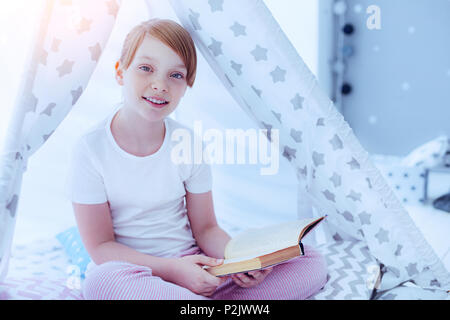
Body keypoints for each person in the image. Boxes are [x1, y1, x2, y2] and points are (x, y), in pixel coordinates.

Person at [67, 18, 327, 300]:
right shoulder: (90, 149)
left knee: (310, 260)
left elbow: (206, 229)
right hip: (137, 274)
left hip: (197, 266)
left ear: (187, 84)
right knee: (101, 281)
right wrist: (172, 270)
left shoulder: (188, 143)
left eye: (175, 75)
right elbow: (101, 246)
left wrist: (240, 261)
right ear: (121, 72)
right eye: (146, 69)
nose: (159, 84)